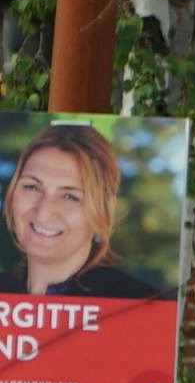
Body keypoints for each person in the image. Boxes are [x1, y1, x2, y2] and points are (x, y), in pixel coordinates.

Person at [9, 122, 164, 301]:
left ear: (104, 210)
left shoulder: (138, 305)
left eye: (70, 196)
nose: (43, 212)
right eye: (32, 187)